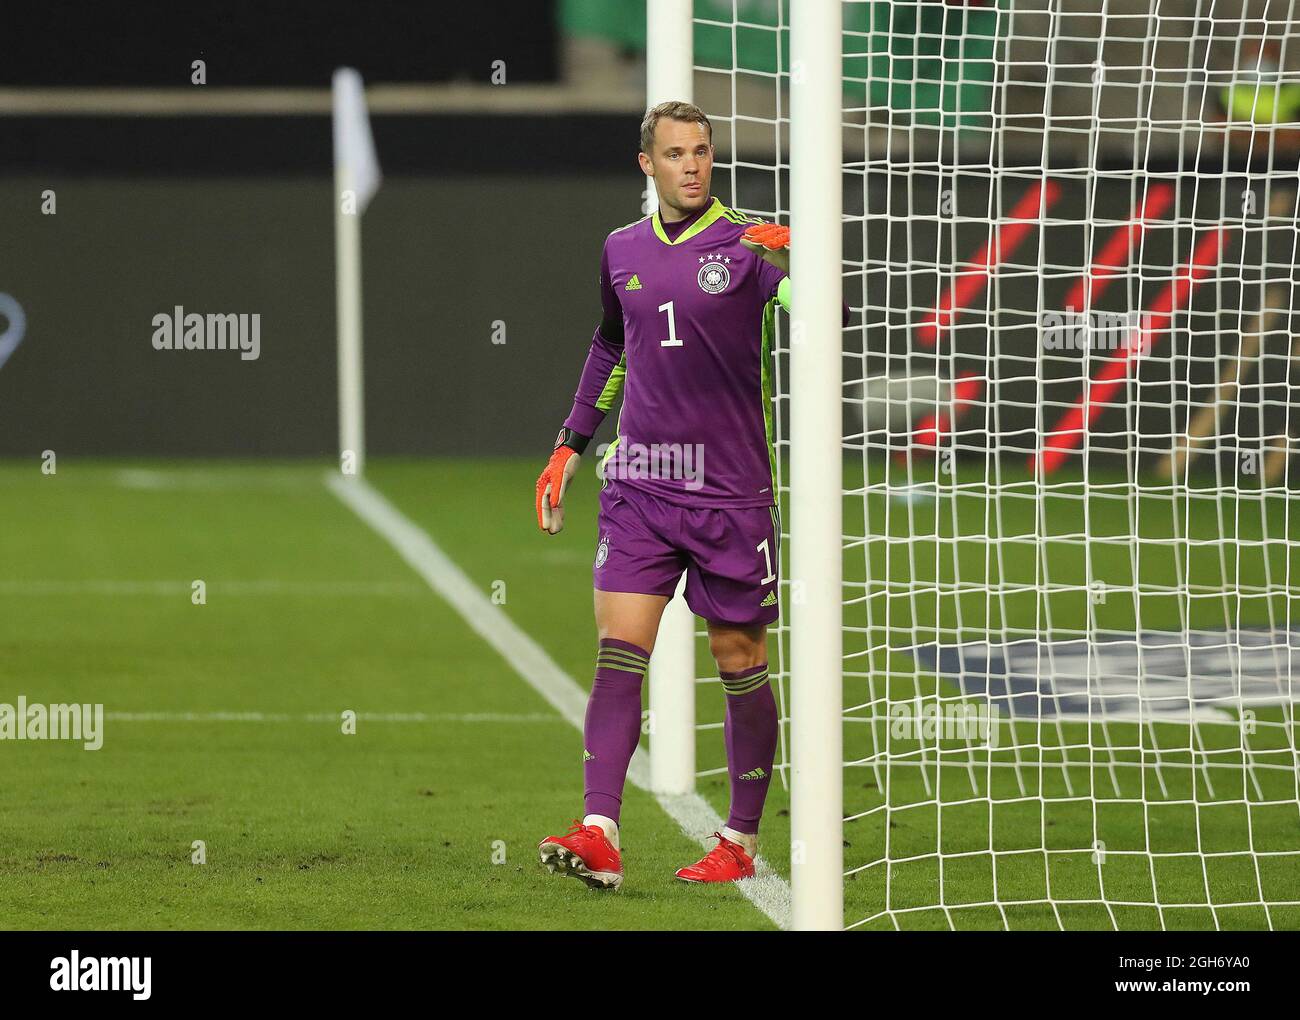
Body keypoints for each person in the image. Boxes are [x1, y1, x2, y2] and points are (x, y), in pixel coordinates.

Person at [533, 100, 831, 891]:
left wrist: (806, 259)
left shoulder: (749, 245)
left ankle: (738, 834)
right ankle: (599, 830)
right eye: (675, 153)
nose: (692, 165)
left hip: (730, 493)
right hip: (640, 484)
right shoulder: (621, 249)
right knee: (619, 651)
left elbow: (827, 319)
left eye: (702, 151)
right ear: (648, 165)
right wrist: (570, 442)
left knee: (741, 661)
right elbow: (610, 344)